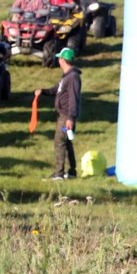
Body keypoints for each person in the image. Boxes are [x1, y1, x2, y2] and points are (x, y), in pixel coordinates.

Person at [35, 47, 82, 181]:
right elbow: (56, 90)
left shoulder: (73, 77)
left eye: (59, 58)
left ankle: (59, 173)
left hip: (66, 117)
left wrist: (70, 118)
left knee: (59, 141)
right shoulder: (67, 76)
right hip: (64, 116)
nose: (58, 60)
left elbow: (74, 98)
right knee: (67, 142)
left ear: (63, 60)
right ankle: (72, 172)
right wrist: (43, 91)